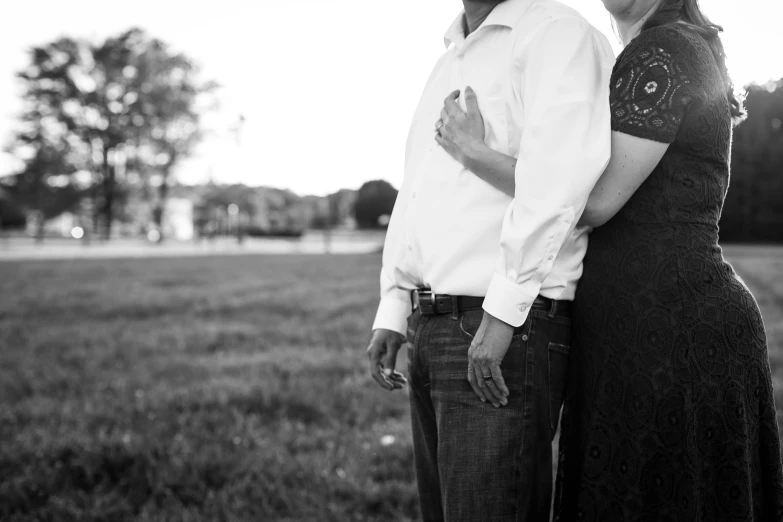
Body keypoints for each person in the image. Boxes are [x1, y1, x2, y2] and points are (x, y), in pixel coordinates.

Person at [439, 0, 783, 519]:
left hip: (671, 327)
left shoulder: (665, 50)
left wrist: (475, 153)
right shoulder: (658, 49)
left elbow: (596, 200)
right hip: (634, 320)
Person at [365, 0, 614, 520]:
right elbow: (416, 190)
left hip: (505, 329)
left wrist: (503, 313)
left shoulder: (558, 34)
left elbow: (562, 188)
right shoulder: (448, 59)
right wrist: (394, 303)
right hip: (429, 327)